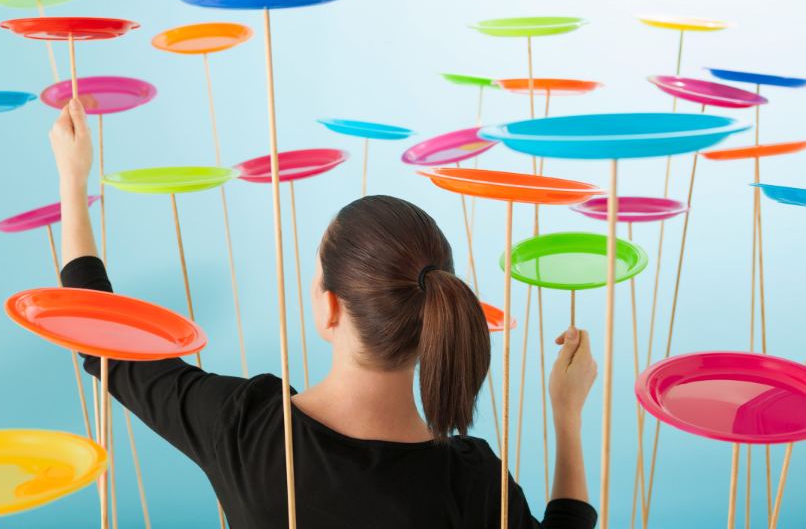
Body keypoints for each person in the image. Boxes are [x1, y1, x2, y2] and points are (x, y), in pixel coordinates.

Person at [50, 98, 599, 529]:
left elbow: (103, 339)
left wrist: (73, 182)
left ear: (330, 306)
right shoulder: (475, 482)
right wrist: (566, 415)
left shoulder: (247, 427)